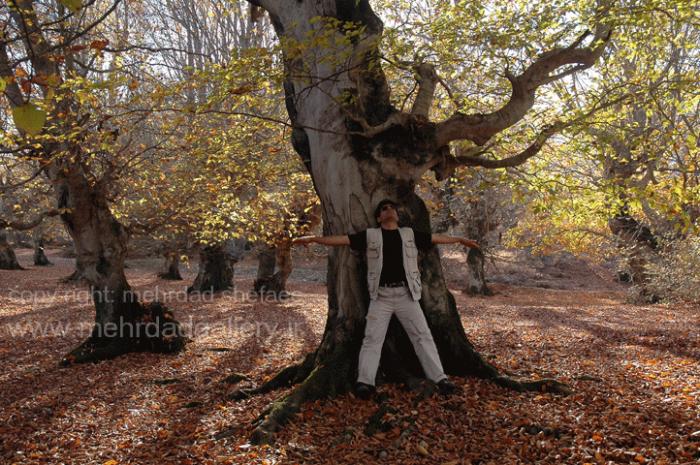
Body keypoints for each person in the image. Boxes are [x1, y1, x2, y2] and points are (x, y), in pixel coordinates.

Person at [292, 199, 480, 399]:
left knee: (422, 337)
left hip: (407, 296)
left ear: (397, 216)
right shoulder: (371, 235)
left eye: (392, 208)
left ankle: (440, 379)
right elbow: (342, 240)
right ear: (379, 217)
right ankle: (365, 382)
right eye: (384, 208)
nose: (389, 210)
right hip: (381, 297)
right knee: (372, 339)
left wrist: (460, 240)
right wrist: (313, 239)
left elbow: (436, 238)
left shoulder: (409, 234)